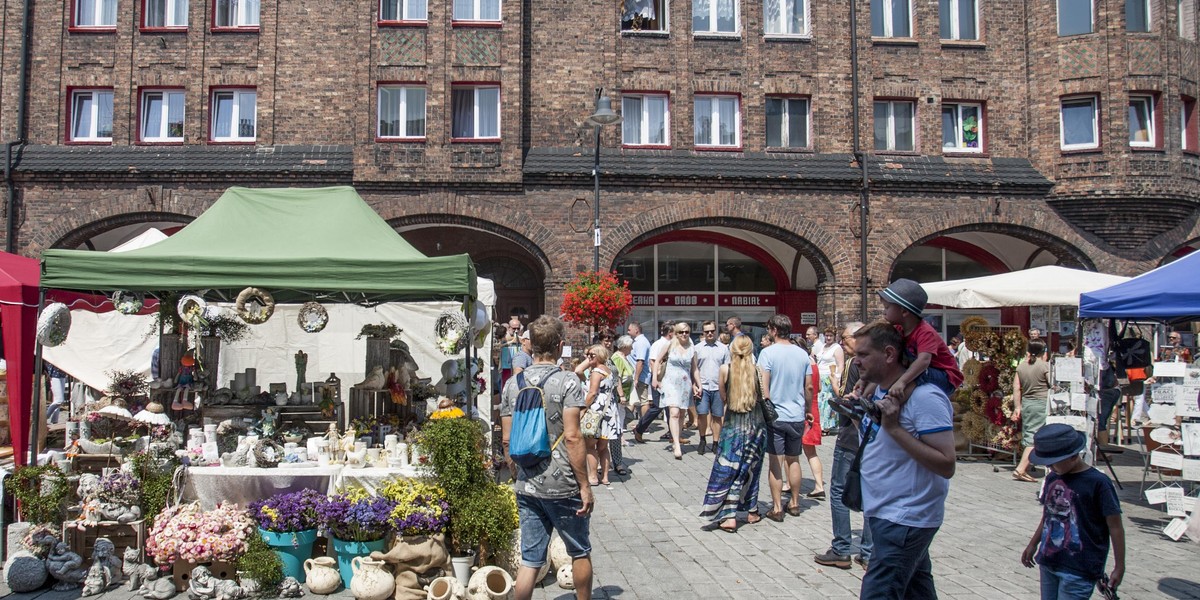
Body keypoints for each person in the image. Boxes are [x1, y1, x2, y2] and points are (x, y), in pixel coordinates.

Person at [853, 321, 956, 600]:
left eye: (863, 354)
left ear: (888, 354)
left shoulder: (925, 398)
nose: (856, 360)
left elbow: (946, 464)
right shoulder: (881, 391)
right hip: (886, 513)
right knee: (917, 592)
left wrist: (895, 429)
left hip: (905, 517)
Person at [500, 315, 594, 600]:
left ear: (530, 346)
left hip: (527, 482)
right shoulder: (568, 382)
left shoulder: (513, 384)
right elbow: (574, 436)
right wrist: (585, 485)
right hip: (562, 482)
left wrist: (517, 473)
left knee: (531, 559)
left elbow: (506, 438)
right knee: (579, 550)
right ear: (560, 345)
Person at [1020, 424, 1125, 600]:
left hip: (1080, 567)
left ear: (1073, 456)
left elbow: (1115, 526)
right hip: (1050, 559)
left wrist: (1119, 565)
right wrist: (1033, 543)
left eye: (1053, 463)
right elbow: (1048, 516)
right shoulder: (1053, 478)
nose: (1050, 467)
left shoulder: (1098, 483)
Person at [814, 322, 872, 571]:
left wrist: (841, 400)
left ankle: (841, 548)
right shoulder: (878, 362)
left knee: (838, 490)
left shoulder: (854, 363)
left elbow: (848, 398)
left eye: (845, 338)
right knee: (870, 492)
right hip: (872, 436)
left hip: (851, 434)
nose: (842, 342)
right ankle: (869, 552)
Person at [699, 335, 768, 532]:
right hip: (756, 427)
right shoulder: (758, 371)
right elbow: (766, 397)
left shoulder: (725, 369)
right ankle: (751, 510)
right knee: (750, 470)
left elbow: (723, 397)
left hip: (732, 427)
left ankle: (728, 516)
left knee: (727, 470)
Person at [757, 314, 813, 522]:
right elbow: (808, 386)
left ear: (772, 330)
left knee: (775, 462)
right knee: (794, 459)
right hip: (797, 414)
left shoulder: (767, 353)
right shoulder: (802, 354)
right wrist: (807, 408)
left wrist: (766, 408)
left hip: (776, 415)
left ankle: (777, 507)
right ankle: (796, 503)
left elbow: (764, 387)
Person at [869, 278, 963, 400]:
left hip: (946, 377)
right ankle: (864, 398)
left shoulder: (925, 332)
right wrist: (867, 379)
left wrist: (902, 381)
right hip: (927, 371)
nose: (884, 312)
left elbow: (924, 361)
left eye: (887, 308)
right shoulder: (899, 329)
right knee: (893, 368)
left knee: (913, 374)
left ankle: (892, 403)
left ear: (903, 311)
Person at [654, 322, 700, 459]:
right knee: (674, 412)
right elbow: (657, 360)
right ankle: (677, 444)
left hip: (685, 383)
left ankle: (677, 438)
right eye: (681, 332)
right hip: (670, 382)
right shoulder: (669, 345)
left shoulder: (692, 349)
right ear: (676, 333)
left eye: (686, 332)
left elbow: (695, 368)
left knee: (681, 414)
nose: (684, 334)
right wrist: (655, 379)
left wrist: (699, 384)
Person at [1012, 340, 1052, 482]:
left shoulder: (1021, 367)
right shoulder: (1044, 366)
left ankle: (1025, 467)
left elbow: (1016, 388)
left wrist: (1017, 407)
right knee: (1033, 438)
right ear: (1044, 352)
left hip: (1027, 403)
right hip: (1040, 403)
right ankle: (1021, 469)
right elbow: (1052, 385)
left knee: (1029, 433)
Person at [579, 344, 618, 487]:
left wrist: (583, 409)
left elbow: (592, 393)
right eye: (587, 355)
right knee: (603, 446)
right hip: (609, 410)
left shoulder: (596, 372)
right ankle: (606, 477)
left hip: (597, 410)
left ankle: (593, 476)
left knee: (590, 446)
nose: (588, 358)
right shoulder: (608, 370)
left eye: (592, 355)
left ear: (600, 356)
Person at [633, 321, 675, 444]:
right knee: (657, 407)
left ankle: (673, 435)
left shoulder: (672, 344)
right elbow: (652, 362)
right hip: (660, 380)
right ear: (671, 333)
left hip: (670, 380)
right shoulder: (658, 344)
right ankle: (639, 429)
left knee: (670, 408)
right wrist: (656, 379)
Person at [694, 320, 730, 455]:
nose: (710, 333)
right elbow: (694, 368)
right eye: (707, 331)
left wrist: (726, 388)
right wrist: (694, 385)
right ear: (703, 332)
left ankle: (716, 442)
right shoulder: (697, 348)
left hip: (718, 387)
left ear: (716, 331)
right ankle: (702, 439)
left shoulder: (723, 348)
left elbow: (728, 368)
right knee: (702, 414)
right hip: (702, 387)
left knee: (717, 416)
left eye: (712, 331)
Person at [610, 335, 635, 476]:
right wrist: (621, 395)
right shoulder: (617, 358)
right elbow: (617, 377)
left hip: (623, 396)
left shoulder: (623, 357)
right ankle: (616, 461)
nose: (632, 348)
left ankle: (617, 461)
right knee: (617, 428)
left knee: (619, 427)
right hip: (618, 398)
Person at [815, 325, 845, 434]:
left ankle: (827, 426)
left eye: (830, 336)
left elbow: (840, 365)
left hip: (829, 377)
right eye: (826, 335)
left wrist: (836, 379)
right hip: (820, 377)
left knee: (827, 402)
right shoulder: (823, 347)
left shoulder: (837, 348)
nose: (828, 338)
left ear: (834, 336)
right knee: (820, 401)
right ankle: (821, 425)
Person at [627, 322, 651, 418]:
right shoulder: (637, 342)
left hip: (641, 377)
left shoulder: (641, 342)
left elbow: (640, 362)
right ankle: (627, 422)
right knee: (632, 400)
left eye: (629, 330)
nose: (628, 332)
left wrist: (636, 378)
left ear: (636, 330)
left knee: (643, 401)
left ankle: (644, 426)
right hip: (636, 376)